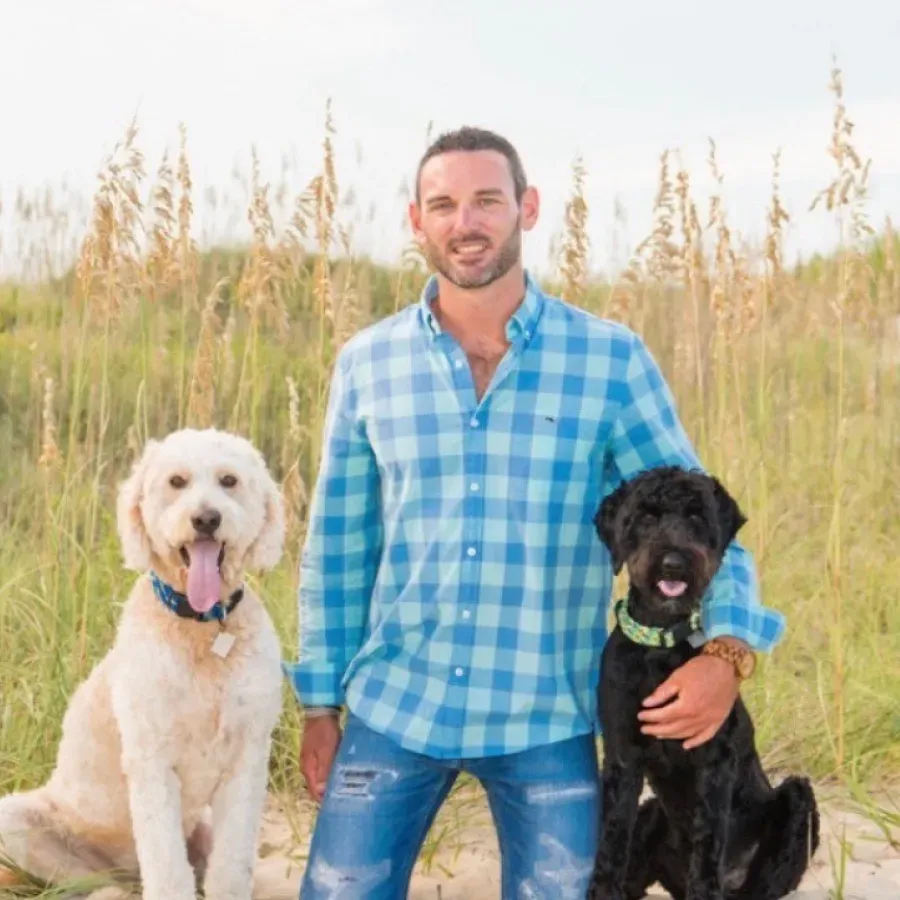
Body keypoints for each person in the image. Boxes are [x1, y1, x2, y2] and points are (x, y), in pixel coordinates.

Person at [283, 126, 786, 899]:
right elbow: (340, 546)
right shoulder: (367, 364)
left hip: (545, 714)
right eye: (443, 204)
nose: (467, 221)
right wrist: (320, 703)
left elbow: (700, 521)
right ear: (417, 221)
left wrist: (727, 653)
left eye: (487, 199)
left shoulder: (610, 361)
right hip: (398, 704)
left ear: (528, 207)